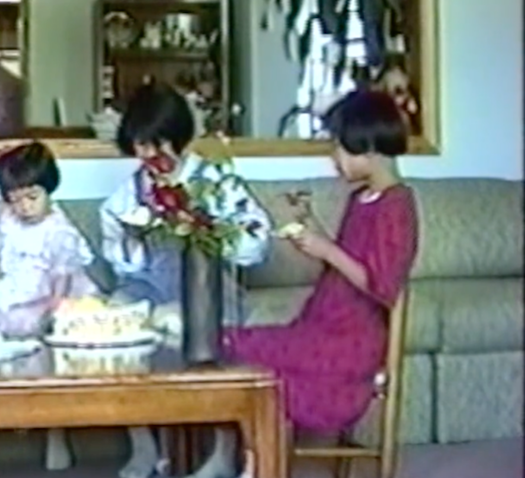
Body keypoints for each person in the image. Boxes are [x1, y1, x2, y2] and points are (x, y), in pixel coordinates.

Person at [194, 90, 420, 478]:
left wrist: (327, 250)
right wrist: (312, 231)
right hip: (319, 325)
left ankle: (254, 465)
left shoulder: (398, 205)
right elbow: (347, 261)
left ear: (367, 148)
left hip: (350, 341)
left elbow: (382, 284)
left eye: (339, 149)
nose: (334, 159)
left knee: (239, 353)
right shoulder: (361, 198)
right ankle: (240, 459)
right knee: (222, 342)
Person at [99, 83, 273, 478]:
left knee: (195, 327)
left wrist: (212, 229)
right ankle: (144, 447)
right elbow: (123, 266)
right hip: (148, 285)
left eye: (156, 144)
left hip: (207, 285)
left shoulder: (216, 181)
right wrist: (133, 237)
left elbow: (258, 244)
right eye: (139, 145)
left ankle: (222, 451)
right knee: (118, 323)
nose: (147, 156)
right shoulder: (126, 196)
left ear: (177, 138)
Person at [0, 141, 100, 472]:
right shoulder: (5, 220)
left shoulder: (59, 231)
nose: (23, 207)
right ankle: (12, 413)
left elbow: (61, 280)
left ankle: (56, 432)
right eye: (15, 199)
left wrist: (54, 312)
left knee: (49, 352)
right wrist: (3, 292)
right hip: (15, 296)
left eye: (32, 197)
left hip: (52, 298)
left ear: (49, 188)